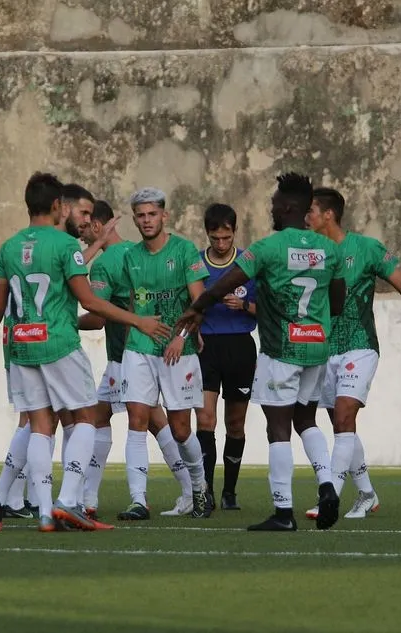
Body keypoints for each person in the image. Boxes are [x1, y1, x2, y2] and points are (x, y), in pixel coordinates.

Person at [0, 172, 170, 532]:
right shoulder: (65, 247)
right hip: (60, 343)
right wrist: (137, 320)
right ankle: (68, 501)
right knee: (85, 418)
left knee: (40, 426)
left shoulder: (10, 247)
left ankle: (47, 512)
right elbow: (89, 299)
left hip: (21, 344)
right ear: (57, 206)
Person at [176, 173, 346, 531]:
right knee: (307, 421)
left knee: (279, 429)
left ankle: (283, 511)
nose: (270, 207)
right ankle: (327, 485)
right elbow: (338, 301)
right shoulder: (330, 249)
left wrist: (199, 306)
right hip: (317, 346)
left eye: (273, 203)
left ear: (286, 207)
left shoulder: (268, 248)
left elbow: (229, 280)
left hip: (280, 350)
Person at [303, 187, 401, 521]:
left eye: (311, 212)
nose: (307, 219)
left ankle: (328, 496)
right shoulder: (308, 253)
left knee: (345, 416)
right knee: (339, 423)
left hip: (360, 345)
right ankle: (366, 493)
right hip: (323, 349)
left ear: (329, 214)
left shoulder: (365, 248)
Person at [77, 200, 196, 518]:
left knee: (98, 417)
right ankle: (191, 490)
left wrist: (67, 321)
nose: (82, 234)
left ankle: (90, 499)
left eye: (87, 227)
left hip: (126, 356)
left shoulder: (104, 265)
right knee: (156, 422)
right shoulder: (135, 252)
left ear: (99, 227)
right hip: (149, 351)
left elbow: (98, 315)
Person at [117, 187, 212, 520]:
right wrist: (131, 336)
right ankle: (138, 500)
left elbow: (200, 304)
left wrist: (183, 336)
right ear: (135, 219)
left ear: (164, 216)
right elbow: (133, 303)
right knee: (137, 421)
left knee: (181, 429)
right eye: (140, 215)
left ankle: (199, 489)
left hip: (177, 351)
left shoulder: (185, 251)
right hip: (139, 349)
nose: (146, 220)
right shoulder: (130, 257)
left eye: (152, 214)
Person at [194, 203, 257, 512]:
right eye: (215, 238)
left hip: (240, 347)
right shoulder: (196, 265)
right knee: (205, 418)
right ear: (207, 234)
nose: (221, 244)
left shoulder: (249, 264)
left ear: (235, 232)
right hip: (206, 348)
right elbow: (188, 305)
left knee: (235, 423)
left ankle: (229, 492)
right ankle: (204, 491)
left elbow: (270, 309)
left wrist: (244, 306)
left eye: (226, 237)